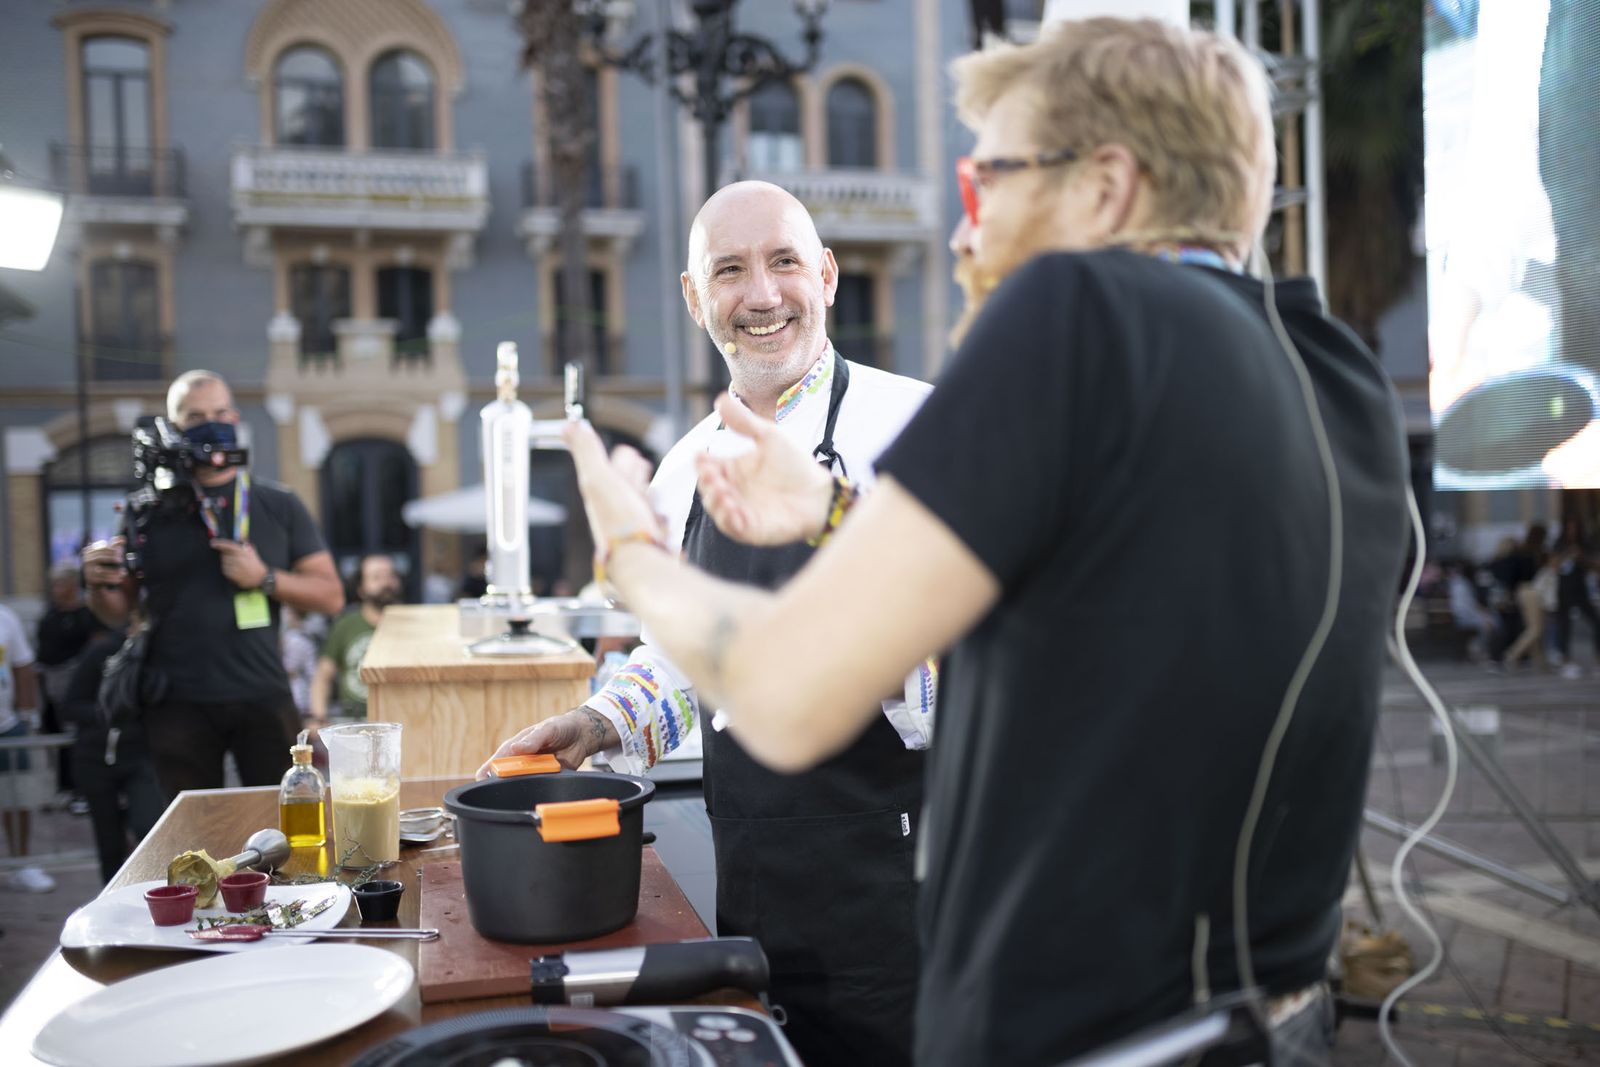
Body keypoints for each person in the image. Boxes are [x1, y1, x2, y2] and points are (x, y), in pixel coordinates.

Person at [558, 19, 1410, 1066]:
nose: (966, 234)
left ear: (1103, 187)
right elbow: (1076, 624)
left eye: (986, 183)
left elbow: (786, 688)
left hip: (1072, 1028)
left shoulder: (1074, 310)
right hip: (1266, 1024)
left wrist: (629, 549)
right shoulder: (1335, 371)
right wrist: (832, 517)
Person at [486, 181, 936, 1066]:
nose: (762, 294)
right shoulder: (687, 465)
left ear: (829, 275)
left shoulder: (917, 426)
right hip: (759, 886)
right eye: (729, 270)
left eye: (783, 262)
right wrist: (604, 719)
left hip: (904, 889)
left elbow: (997, 658)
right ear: (696, 299)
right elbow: (683, 656)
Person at [81, 370, 345, 794]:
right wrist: (97, 584)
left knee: (283, 823)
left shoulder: (276, 503)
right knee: (189, 832)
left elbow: (331, 597)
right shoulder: (145, 510)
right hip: (176, 700)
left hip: (261, 691)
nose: (211, 423)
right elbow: (118, 613)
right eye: (195, 416)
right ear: (174, 428)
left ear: (235, 417)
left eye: (220, 412)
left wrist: (265, 578)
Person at [311, 553, 402, 726]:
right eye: (376, 578)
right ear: (361, 588)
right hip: (354, 721)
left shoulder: (412, 624)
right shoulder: (346, 624)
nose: (386, 583)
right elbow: (323, 676)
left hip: (399, 719)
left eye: (391, 576)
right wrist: (319, 717)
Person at [0, 603, 53, 893]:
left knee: (16, 798)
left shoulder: (6, 617)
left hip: (7, 727)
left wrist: (27, 711)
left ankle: (22, 863)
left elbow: (23, 665)